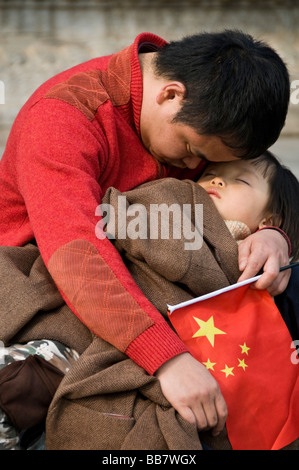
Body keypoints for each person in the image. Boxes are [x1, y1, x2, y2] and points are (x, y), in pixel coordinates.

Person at [0, 30, 292, 438]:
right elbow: (76, 257)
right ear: (170, 95)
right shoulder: (63, 118)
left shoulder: (209, 96)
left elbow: (267, 185)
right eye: (194, 151)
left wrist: (276, 234)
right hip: (54, 296)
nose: (195, 168)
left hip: (162, 301)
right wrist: (167, 360)